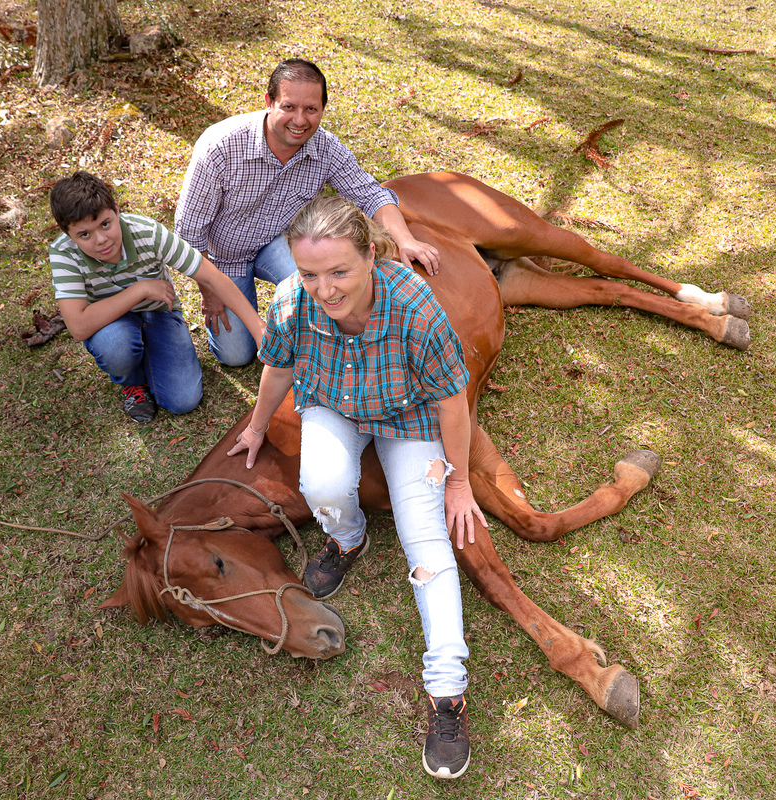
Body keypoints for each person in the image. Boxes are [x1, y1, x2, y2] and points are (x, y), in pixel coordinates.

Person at [226, 196, 485, 780]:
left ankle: (448, 692)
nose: (325, 288)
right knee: (322, 486)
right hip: (332, 406)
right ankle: (348, 540)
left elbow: (450, 401)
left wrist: (460, 482)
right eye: (311, 273)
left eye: (339, 271)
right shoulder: (292, 299)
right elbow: (278, 366)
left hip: (408, 420)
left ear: (370, 254)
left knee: (427, 543)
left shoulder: (416, 309)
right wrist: (258, 425)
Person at [174, 58, 440, 368]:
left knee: (326, 290)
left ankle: (327, 348)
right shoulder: (220, 147)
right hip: (224, 257)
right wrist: (210, 290)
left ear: (323, 109)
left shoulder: (326, 148)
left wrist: (405, 240)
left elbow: (371, 195)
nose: (299, 120)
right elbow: (189, 235)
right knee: (237, 356)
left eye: (311, 109)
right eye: (289, 107)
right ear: (269, 102)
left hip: (280, 243)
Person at [49, 171, 265, 423]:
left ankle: (150, 354)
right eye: (84, 234)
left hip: (159, 313)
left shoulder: (147, 232)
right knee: (116, 346)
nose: (100, 240)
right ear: (67, 234)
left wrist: (258, 329)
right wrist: (139, 290)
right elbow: (78, 326)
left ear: (116, 211)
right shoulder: (63, 254)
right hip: (108, 324)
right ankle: (132, 381)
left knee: (184, 400)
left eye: (105, 224)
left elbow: (212, 276)